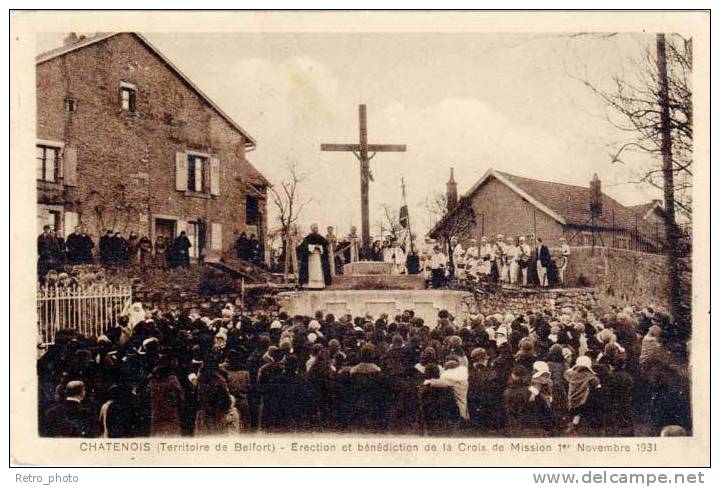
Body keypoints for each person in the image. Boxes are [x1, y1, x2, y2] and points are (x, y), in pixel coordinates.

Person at [298, 224, 331, 289]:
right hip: (311, 257)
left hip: (318, 256)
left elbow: (325, 244)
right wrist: (313, 247)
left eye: (317, 228)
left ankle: (320, 285)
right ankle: (310, 285)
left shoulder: (320, 237)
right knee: (311, 270)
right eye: (315, 228)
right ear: (312, 229)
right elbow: (304, 246)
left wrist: (320, 247)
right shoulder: (308, 237)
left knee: (319, 270)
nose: (316, 229)